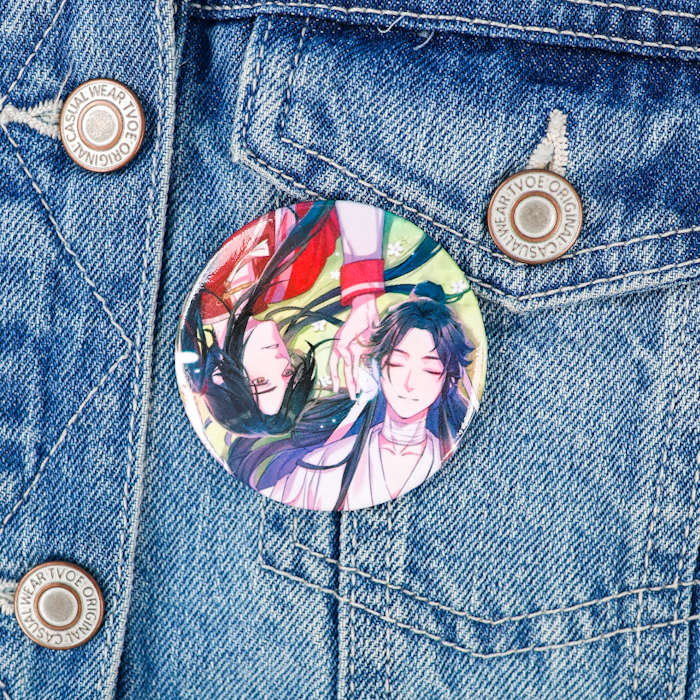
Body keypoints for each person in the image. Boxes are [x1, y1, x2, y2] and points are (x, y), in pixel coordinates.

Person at [254, 282, 479, 511]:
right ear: (378, 365)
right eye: (396, 363)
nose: (409, 383)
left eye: (429, 370)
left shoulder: (453, 459)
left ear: (447, 377)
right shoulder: (325, 462)